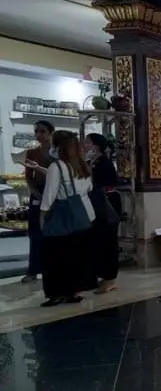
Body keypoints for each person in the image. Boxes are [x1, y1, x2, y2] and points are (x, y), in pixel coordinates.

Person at [39, 131, 97, 306]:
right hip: (84, 216)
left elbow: (49, 196)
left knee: (55, 257)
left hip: (63, 217)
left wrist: (42, 217)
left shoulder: (56, 167)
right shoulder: (82, 165)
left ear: (58, 146)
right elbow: (89, 188)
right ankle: (73, 291)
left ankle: (56, 293)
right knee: (76, 256)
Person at [84, 133, 121, 294]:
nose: (84, 144)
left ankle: (110, 278)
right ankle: (101, 274)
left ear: (96, 146)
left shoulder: (104, 162)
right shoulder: (93, 162)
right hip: (96, 201)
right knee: (97, 240)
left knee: (108, 240)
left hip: (107, 202)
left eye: (87, 142)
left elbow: (95, 181)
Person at [20, 120, 54, 283]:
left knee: (54, 232)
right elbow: (28, 176)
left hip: (55, 192)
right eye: (36, 132)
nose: (39, 135)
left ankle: (53, 269)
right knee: (35, 233)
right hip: (38, 192)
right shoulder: (32, 153)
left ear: (50, 133)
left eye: (42, 131)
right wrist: (35, 193)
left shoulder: (58, 152)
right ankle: (33, 270)